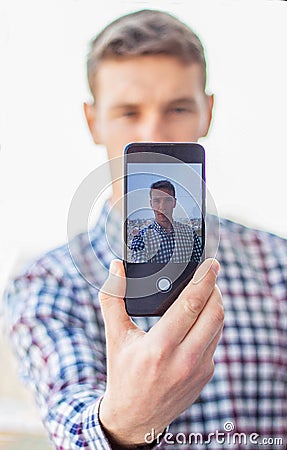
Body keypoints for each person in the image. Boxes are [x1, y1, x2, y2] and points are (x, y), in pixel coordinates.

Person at [3, 8, 287, 450]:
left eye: (177, 108)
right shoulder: (46, 283)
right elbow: (69, 417)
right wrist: (124, 423)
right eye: (128, 112)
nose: (155, 134)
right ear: (92, 120)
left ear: (207, 113)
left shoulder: (278, 264)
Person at [129, 180, 202, 263]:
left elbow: (199, 267)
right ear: (151, 204)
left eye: (167, 200)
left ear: (174, 203)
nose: (162, 207)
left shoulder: (190, 234)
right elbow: (140, 272)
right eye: (157, 201)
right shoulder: (141, 239)